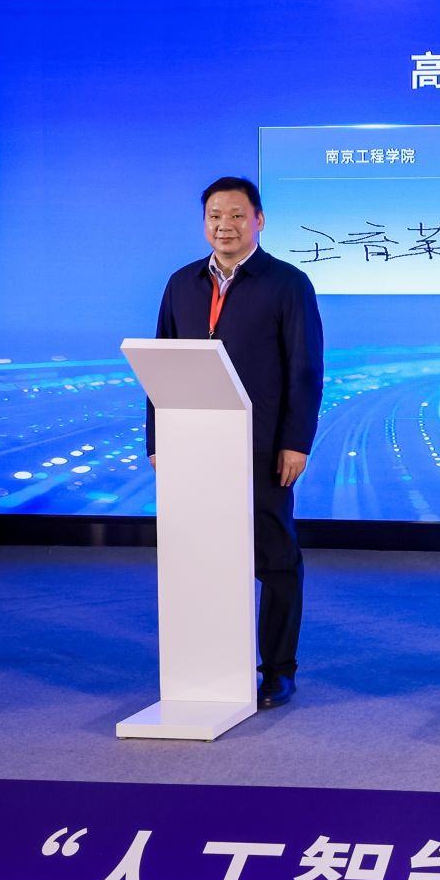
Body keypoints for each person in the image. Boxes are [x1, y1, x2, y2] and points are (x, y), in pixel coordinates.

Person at [149, 176, 324, 710]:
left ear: (259, 220)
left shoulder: (288, 283)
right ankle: (213, 661)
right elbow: (161, 364)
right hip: (195, 447)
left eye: (236, 215)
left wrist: (296, 442)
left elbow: (305, 370)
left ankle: (279, 670)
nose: (224, 225)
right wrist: (157, 438)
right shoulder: (181, 284)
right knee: (202, 555)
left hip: (262, 448)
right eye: (214, 216)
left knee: (274, 559)